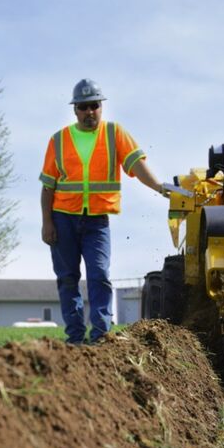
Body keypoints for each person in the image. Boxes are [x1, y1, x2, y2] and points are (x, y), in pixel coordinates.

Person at [39, 78, 167, 344]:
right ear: (75, 110)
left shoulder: (114, 133)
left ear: (101, 107)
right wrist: (47, 222)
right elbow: (48, 187)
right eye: (83, 107)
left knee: (99, 275)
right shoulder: (59, 140)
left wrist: (158, 186)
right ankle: (74, 337)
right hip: (63, 219)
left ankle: (100, 336)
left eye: (94, 106)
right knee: (67, 279)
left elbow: (136, 165)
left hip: (97, 221)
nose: (89, 112)